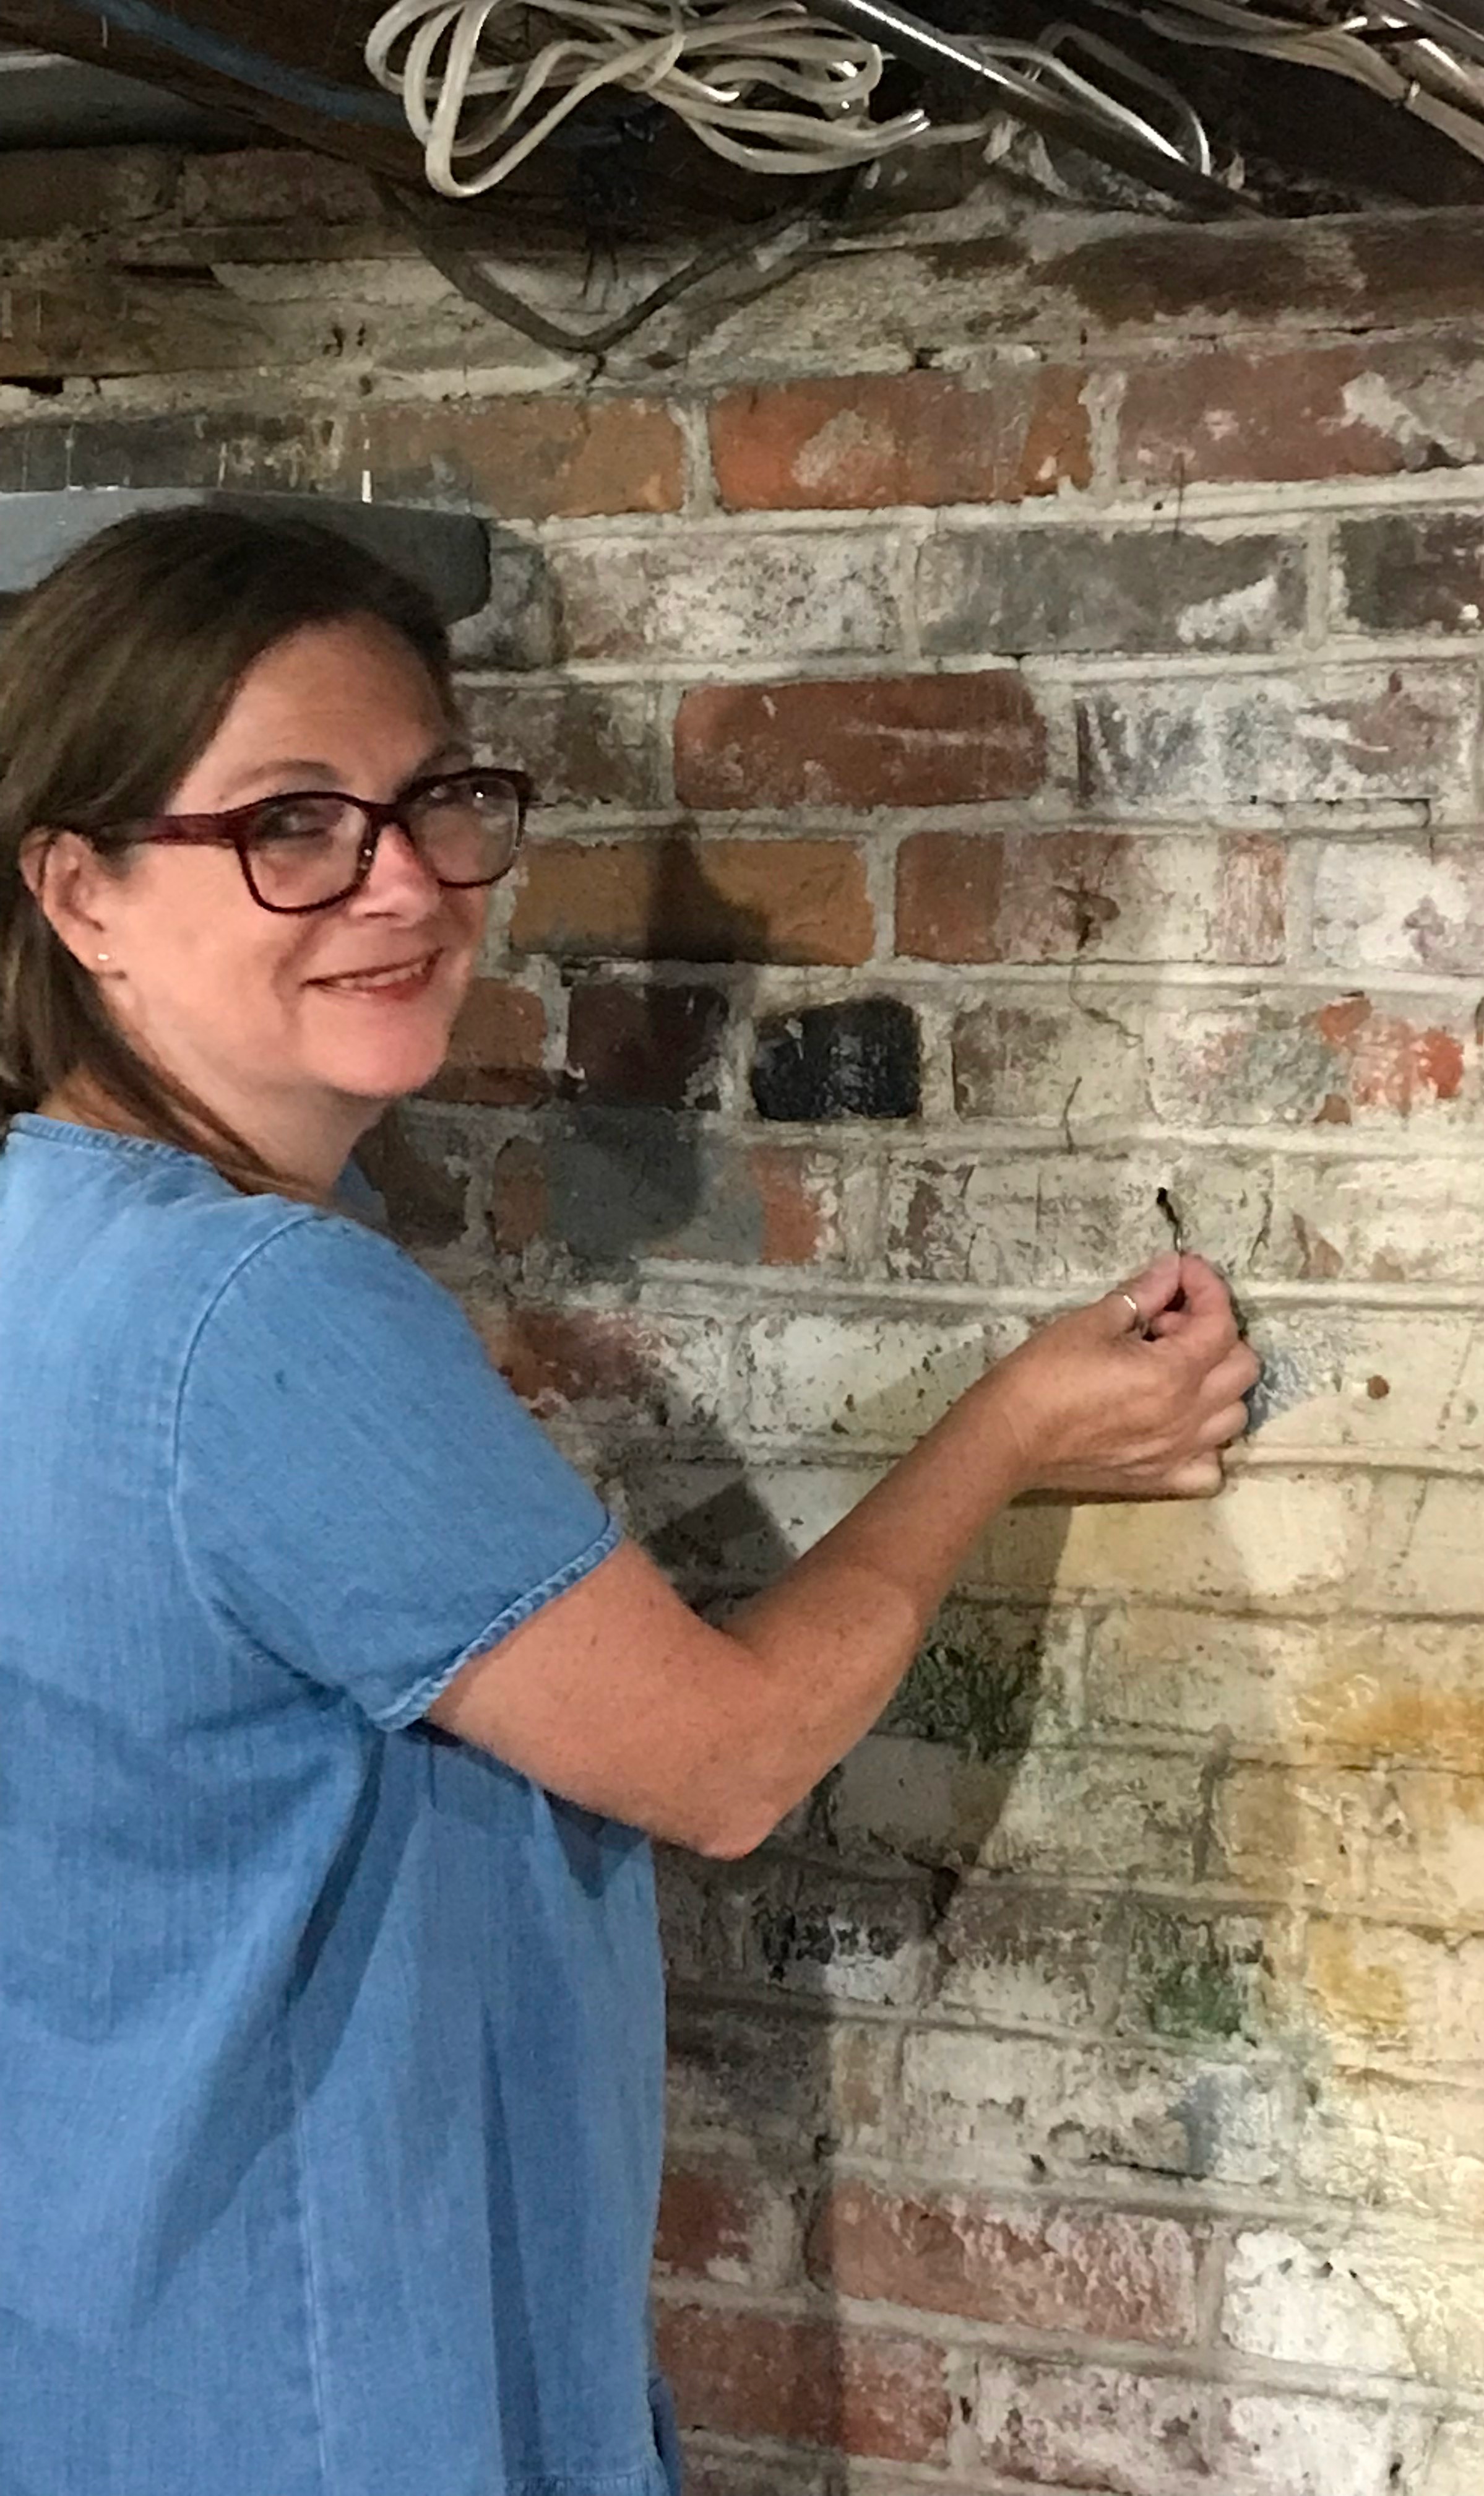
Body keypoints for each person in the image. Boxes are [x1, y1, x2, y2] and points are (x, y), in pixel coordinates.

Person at [0, 508, 1258, 2496]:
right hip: (313, 2388)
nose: (401, 882)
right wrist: (1008, 1430)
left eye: (437, 802)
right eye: (291, 826)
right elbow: (731, 1759)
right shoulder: (260, 1307)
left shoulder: (45, 1243)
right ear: (78, 890)